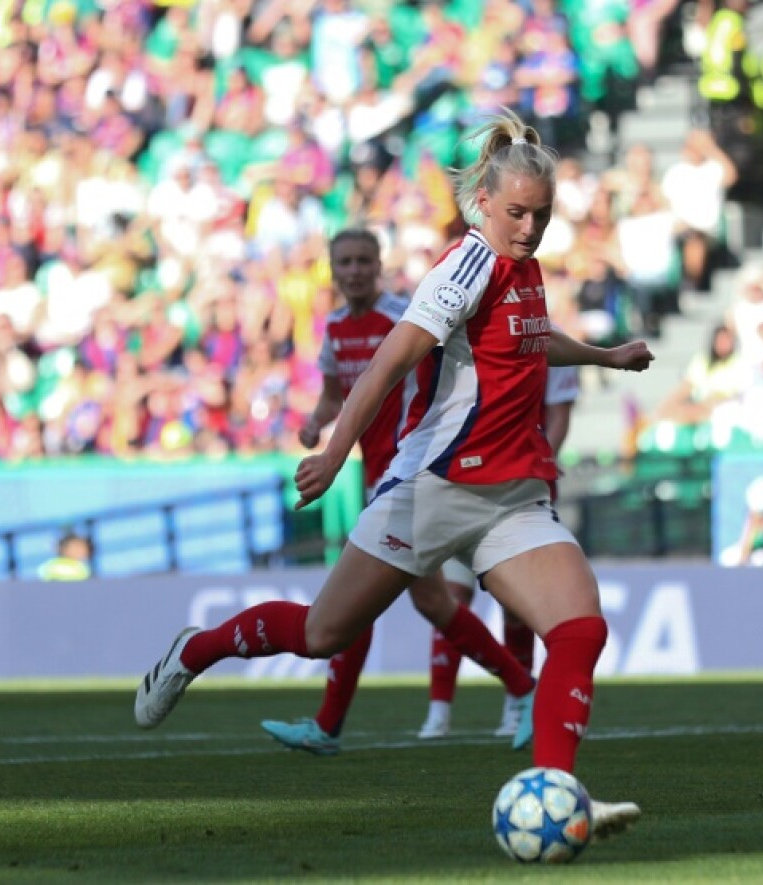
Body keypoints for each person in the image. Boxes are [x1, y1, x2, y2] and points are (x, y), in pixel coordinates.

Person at [134, 108, 653, 839]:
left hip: (511, 496)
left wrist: (603, 358)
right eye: (516, 213)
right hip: (433, 488)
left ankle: (556, 788)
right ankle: (196, 648)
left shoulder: (525, 267)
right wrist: (337, 447)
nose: (530, 228)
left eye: (541, 215)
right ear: (484, 201)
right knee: (321, 633)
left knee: (579, 627)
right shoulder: (467, 263)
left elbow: (532, 342)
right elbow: (391, 359)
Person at [256, 229, 540, 757]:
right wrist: (318, 425)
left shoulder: (407, 316)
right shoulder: (337, 327)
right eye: (346, 262)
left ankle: (329, 724)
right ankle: (522, 687)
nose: (356, 270)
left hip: (417, 474)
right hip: (378, 479)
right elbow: (335, 395)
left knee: (365, 604)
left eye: (365, 260)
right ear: (333, 270)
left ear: (379, 264)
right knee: (431, 603)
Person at [416, 363, 580, 741]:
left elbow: (559, 415)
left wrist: (538, 462)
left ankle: (515, 702)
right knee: (450, 597)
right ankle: (439, 709)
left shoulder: (549, 342)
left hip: (518, 490)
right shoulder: (465, 337)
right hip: (461, 486)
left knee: (516, 604)